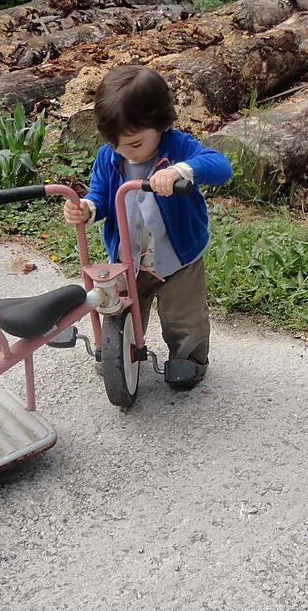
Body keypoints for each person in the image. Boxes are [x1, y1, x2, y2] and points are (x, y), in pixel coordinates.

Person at [63, 64, 232, 389]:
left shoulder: (178, 147)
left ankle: (189, 360)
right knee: (119, 308)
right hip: (129, 259)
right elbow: (99, 193)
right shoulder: (109, 157)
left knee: (185, 318)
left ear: (161, 125)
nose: (123, 150)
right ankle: (119, 351)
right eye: (115, 143)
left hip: (177, 260)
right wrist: (87, 208)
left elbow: (220, 166)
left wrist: (182, 171)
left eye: (135, 143)